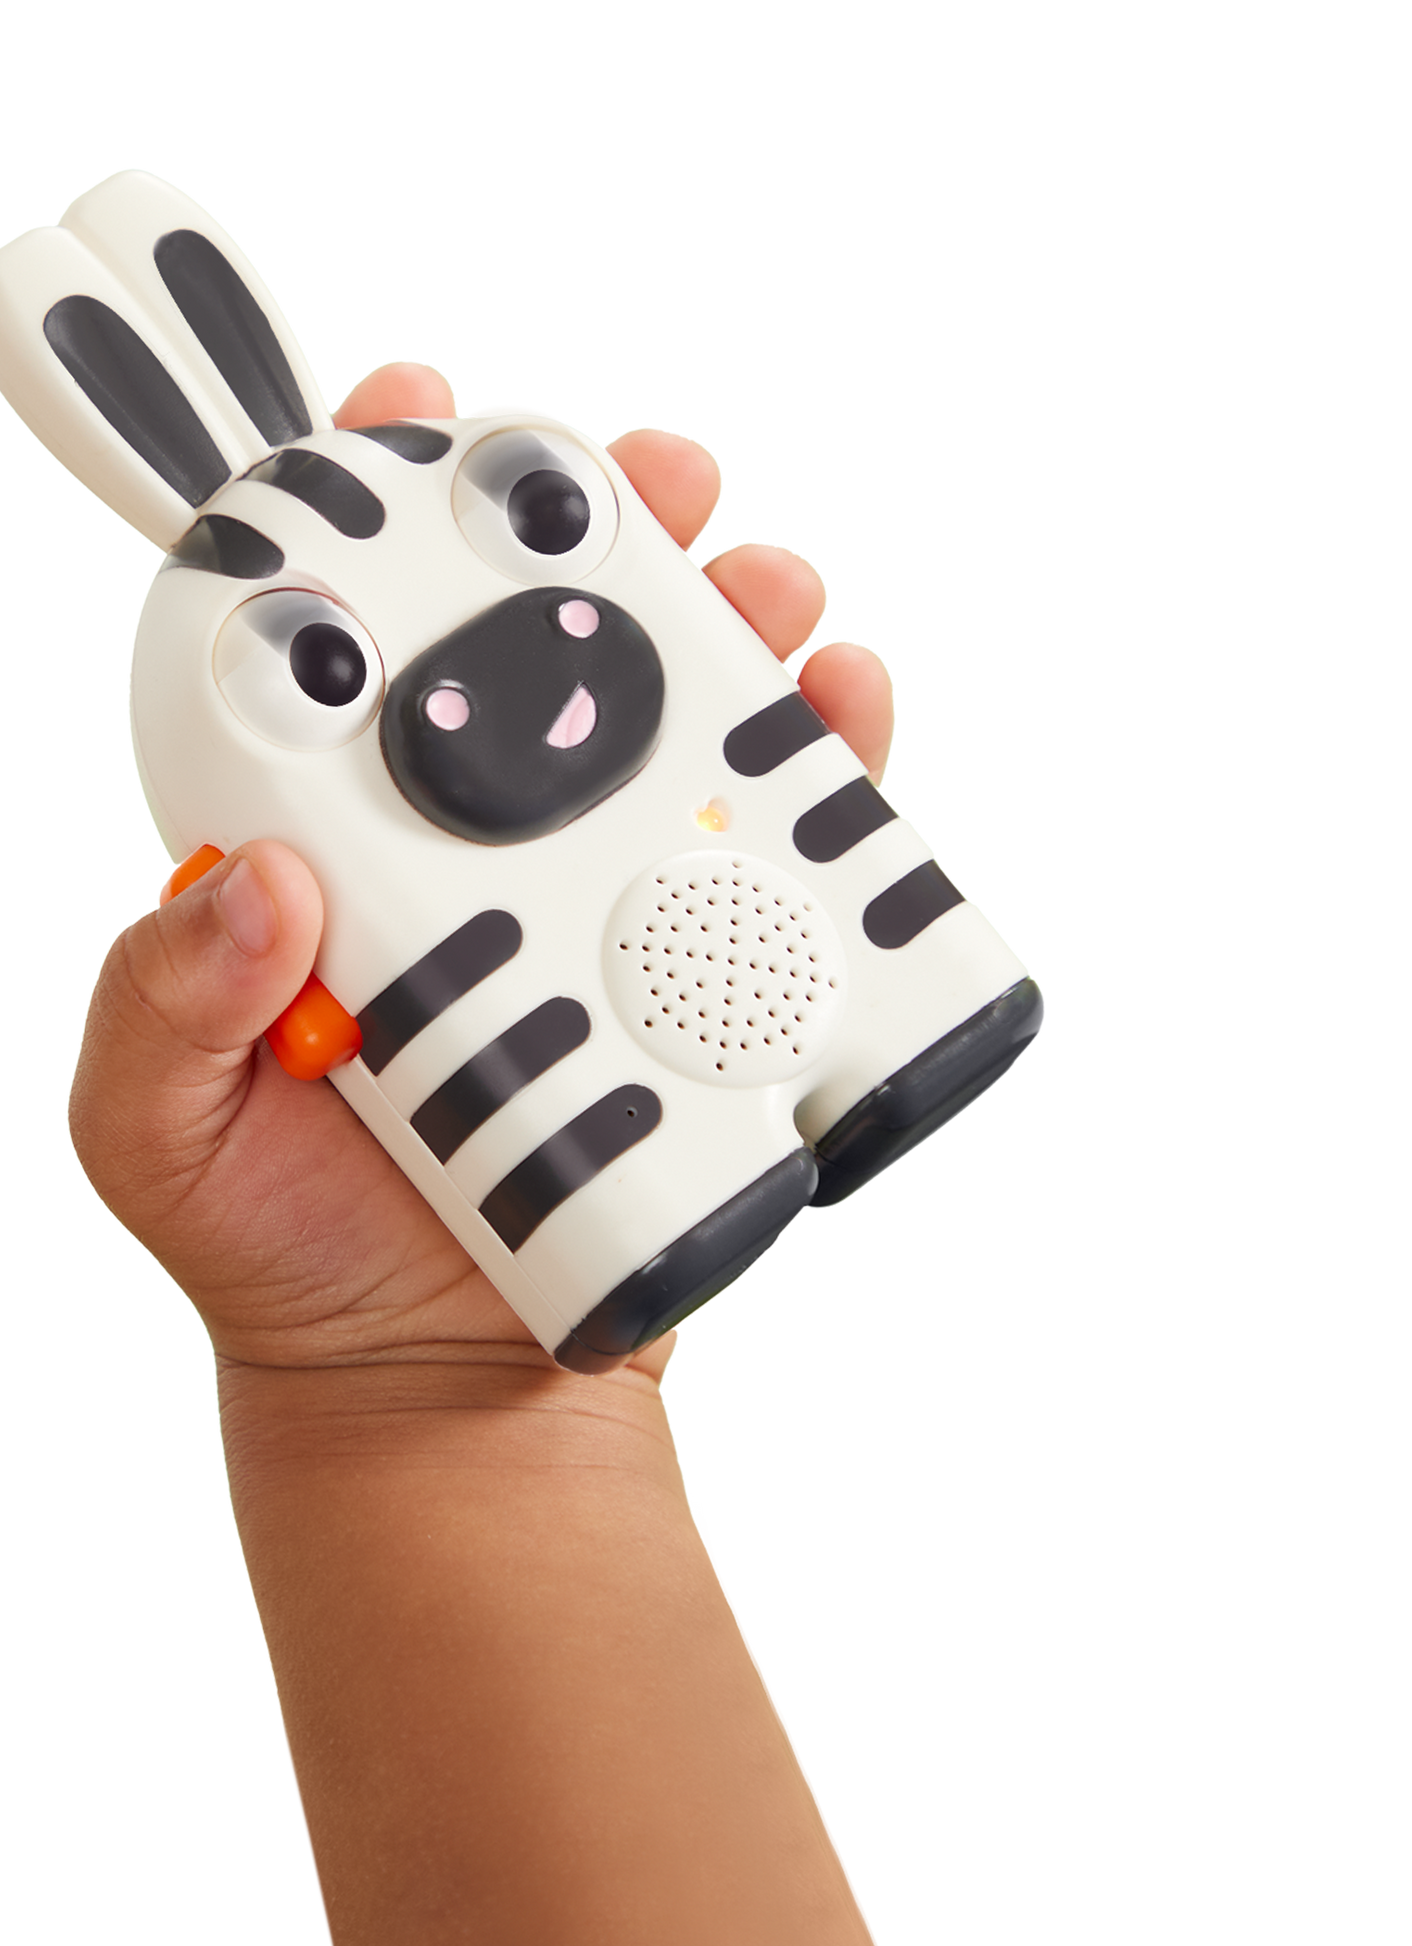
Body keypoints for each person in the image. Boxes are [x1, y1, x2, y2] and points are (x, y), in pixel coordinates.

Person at [64, 358, 895, 1943]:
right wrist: (415, 1386)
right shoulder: (200, 651)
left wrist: (408, 1402)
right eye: (322, 668)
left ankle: (894, 1033)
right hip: (559, 1149)